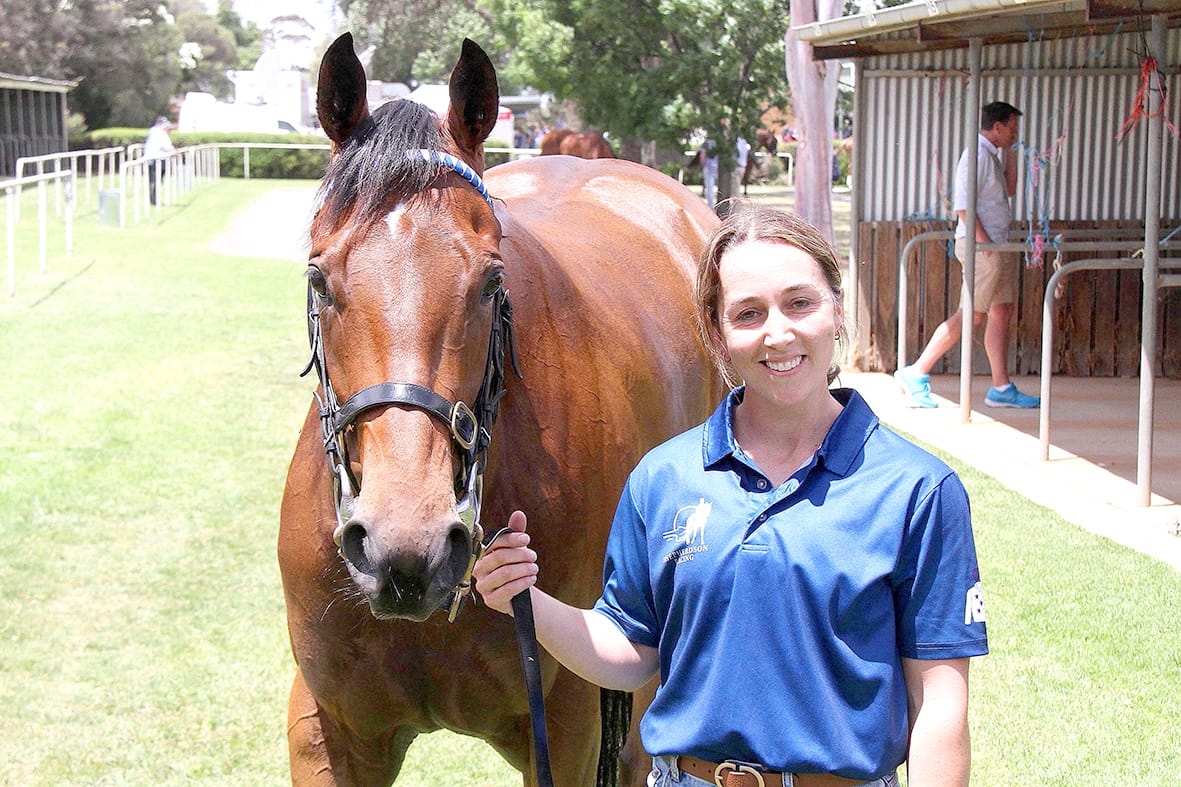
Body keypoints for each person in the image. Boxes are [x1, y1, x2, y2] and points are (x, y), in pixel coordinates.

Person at [474, 206, 989, 787]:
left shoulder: (918, 490)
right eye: (748, 313)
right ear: (717, 335)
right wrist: (524, 597)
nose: (778, 333)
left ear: (837, 311)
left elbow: (940, 704)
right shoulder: (662, 477)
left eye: (800, 302)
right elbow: (630, 651)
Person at [894, 101, 1039, 409]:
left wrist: (1011, 151)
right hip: (982, 246)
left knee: (1001, 310)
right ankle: (916, 371)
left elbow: (1010, 189)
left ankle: (1001, 387)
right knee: (971, 313)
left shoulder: (991, 155)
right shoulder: (975, 155)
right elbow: (962, 206)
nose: (1015, 134)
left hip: (996, 246)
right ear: (997, 127)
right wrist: (984, 246)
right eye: (1012, 128)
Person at [144, 116, 175, 206]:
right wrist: (173, 151)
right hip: (158, 159)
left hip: (150, 159)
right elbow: (167, 146)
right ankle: (154, 200)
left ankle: (153, 199)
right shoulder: (160, 133)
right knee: (157, 181)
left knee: (153, 181)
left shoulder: (152, 131)